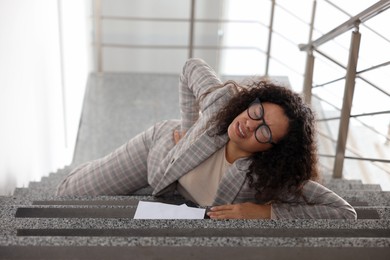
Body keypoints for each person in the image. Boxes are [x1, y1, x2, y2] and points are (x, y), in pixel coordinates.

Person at [56, 58, 357, 220]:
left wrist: (266, 212)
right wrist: (188, 130)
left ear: (272, 151)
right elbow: (191, 68)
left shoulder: (269, 178)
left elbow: (345, 213)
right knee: (67, 194)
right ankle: (89, 167)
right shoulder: (220, 104)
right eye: (257, 111)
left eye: (264, 131)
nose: (249, 125)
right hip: (158, 152)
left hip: (171, 190)